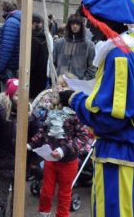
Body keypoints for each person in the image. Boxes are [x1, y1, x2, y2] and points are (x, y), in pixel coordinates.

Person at [58, 0, 134, 216]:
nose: (89, 28)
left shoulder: (119, 56)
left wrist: (73, 99)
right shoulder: (130, 48)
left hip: (122, 153)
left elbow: (112, 116)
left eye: (89, 20)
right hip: (127, 150)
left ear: (101, 20)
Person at [28, 85, 91, 217]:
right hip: (50, 159)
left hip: (68, 161)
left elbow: (82, 137)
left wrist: (63, 150)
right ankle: (44, 213)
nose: (51, 99)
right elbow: (43, 131)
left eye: (55, 97)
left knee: (64, 193)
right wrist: (32, 144)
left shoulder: (75, 116)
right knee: (46, 190)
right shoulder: (51, 113)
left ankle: (62, 215)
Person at [0, 79, 25, 217]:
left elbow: (35, 132)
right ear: (11, 96)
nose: (20, 99)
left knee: (18, 186)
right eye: (17, 95)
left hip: (22, 157)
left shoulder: (29, 112)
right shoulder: (1, 113)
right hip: (6, 155)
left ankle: (16, 208)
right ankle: (1, 207)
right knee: (3, 185)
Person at [52, 14, 96, 80]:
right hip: (60, 84)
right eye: (72, 23)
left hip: (79, 85)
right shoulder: (59, 43)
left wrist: (82, 82)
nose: (75, 26)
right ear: (69, 25)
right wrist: (56, 77)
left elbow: (92, 67)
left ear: (82, 26)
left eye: (78, 24)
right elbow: (53, 63)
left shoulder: (89, 45)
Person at [0, 0, 21, 87]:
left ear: (4, 7)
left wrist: (0, 68)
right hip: (13, 64)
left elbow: (7, 48)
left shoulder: (11, 22)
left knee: (8, 94)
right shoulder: (17, 19)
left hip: (9, 66)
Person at [31, 13, 49, 99]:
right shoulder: (44, 37)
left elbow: (32, 60)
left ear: (34, 24)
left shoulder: (34, 39)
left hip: (34, 74)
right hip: (42, 73)